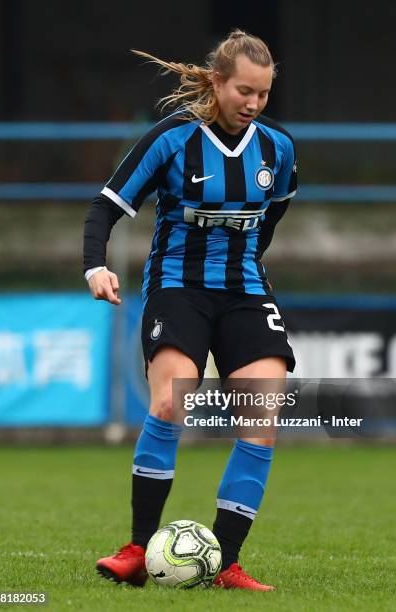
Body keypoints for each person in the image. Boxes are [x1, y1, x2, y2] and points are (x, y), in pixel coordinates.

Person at [83, 29, 297, 591]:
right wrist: (95, 266)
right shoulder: (172, 141)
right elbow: (105, 210)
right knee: (170, 401)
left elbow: (269, 220)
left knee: (263, 417)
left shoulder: (278, 150)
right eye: (243, 91)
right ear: (218, 82)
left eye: (263, 94)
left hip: (245, 293)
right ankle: (136, 548)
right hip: (178, 289)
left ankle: (225, 563)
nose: (252, 104)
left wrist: (246, 264)